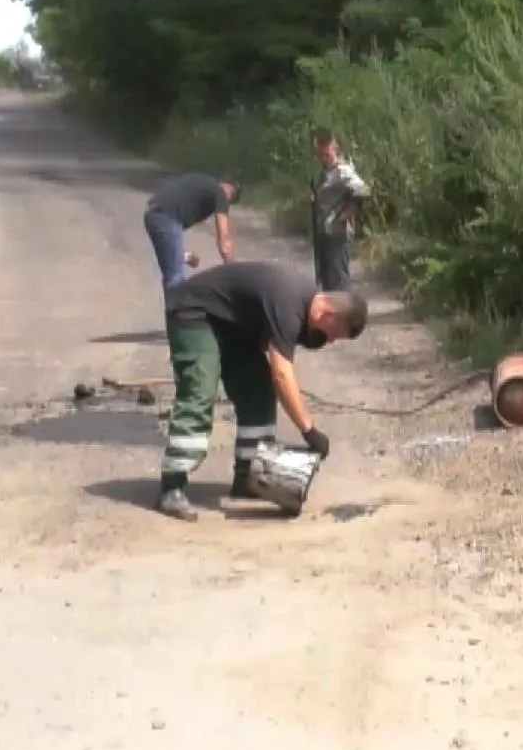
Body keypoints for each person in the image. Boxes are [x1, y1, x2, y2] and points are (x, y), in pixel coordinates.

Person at [155, 260, 369, 522]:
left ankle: (247, 477)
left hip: (233, 329)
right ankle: (172, 486)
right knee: (200, 392)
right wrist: (308, 430)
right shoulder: (288, 303)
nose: (331, 340)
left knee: (258, 392)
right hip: (195, 314)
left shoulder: (304, 305)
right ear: (325, 313)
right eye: (334, 333)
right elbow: (282, 373)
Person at [143, 172, 239, 291]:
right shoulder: (220, 193)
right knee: (176, 279)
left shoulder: (201, 181)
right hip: (166, 216)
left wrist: (185, 256)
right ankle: (177, 309)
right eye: (230, 201)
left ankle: (176, 305)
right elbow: (223, 238)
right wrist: (234, 270)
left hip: (152, 215)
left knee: (173, 265)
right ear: (230, 192)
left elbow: (168, 244)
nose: (226, 203)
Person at [308, 129, 370, 292]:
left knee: (338, 280)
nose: (322, 158)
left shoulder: (343, 171)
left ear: (333, 149)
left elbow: (362, 190)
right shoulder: (325, 172)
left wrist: (346, 214)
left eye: (325, 154)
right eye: (319, 155)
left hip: (336, 233)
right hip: (323, 233)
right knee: (326, 279)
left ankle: (344, 315)